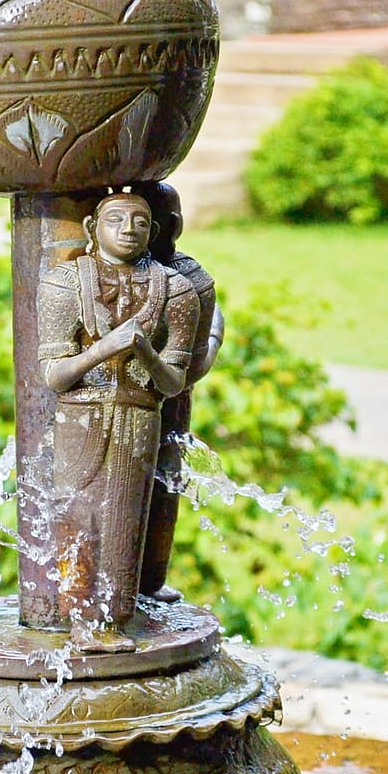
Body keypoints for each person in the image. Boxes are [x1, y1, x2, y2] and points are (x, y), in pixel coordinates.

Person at [37, 191, 200, 653]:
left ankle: (112, 620)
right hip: (81, 418)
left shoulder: (176, 290)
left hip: (137, 416)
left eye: (140, 222)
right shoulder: (65, 283)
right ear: (92, 228)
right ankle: (81, 620)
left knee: (125, 516)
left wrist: (145, 351)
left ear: (152, 231)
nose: (129, 229)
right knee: (79, 515)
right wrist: (106, 348)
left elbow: (171, 384)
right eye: (116, 219)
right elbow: (54, 375)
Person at [137, 181, 225, 603]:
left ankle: (149, 581)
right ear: (175, 225)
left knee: (160, 482)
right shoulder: (190, 276)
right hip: (167, 400)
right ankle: (149, 580)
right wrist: (214, 342)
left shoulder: (177, 278)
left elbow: (185, 370)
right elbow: (195, 363)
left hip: (155, 398)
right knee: (162, 483)